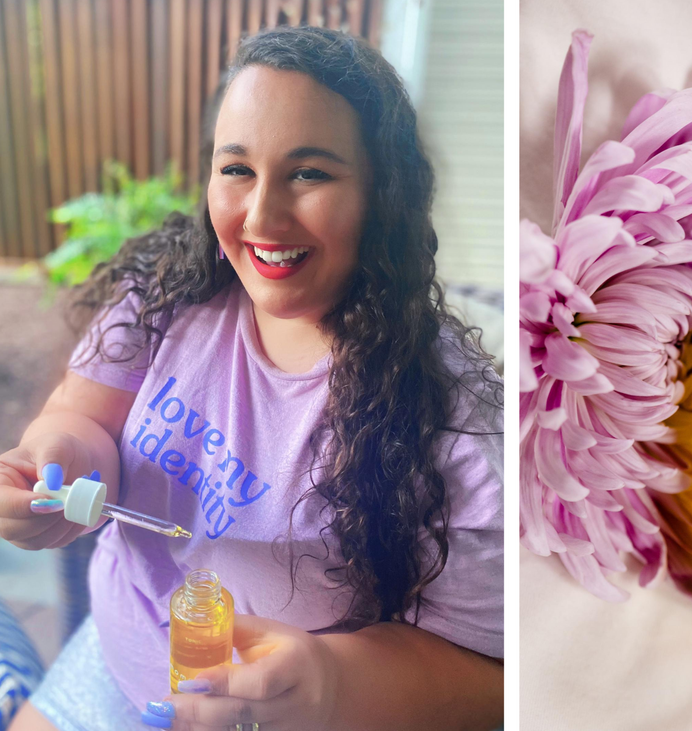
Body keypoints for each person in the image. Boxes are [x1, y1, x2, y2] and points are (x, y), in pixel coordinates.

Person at [0, 25, 503, 731]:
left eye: (309, 173)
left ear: (382, 194)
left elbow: (494, 684)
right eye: (236, 169)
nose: (262, 216)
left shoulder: (453, 420)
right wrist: (54, 462)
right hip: (115, 669)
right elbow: (79, 416)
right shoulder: (163, 295)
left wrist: (332, 681)